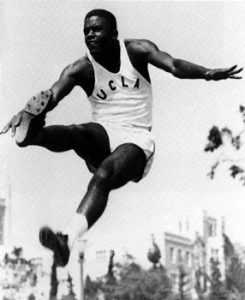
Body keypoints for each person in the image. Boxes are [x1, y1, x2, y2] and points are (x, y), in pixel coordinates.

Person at [0, 9, 242, 267]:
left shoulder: (137, 50)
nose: (90, 35)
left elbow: (173, 65)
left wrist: (206, 73)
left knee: (103, 175)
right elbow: (52, 95)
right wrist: (24, 113)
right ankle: (30, 136)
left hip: (137, 139)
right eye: (86, 31)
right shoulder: (79, 68)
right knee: (77, 132)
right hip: (104, 132)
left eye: (96, 29)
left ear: (114, 34)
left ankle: (66, 239)